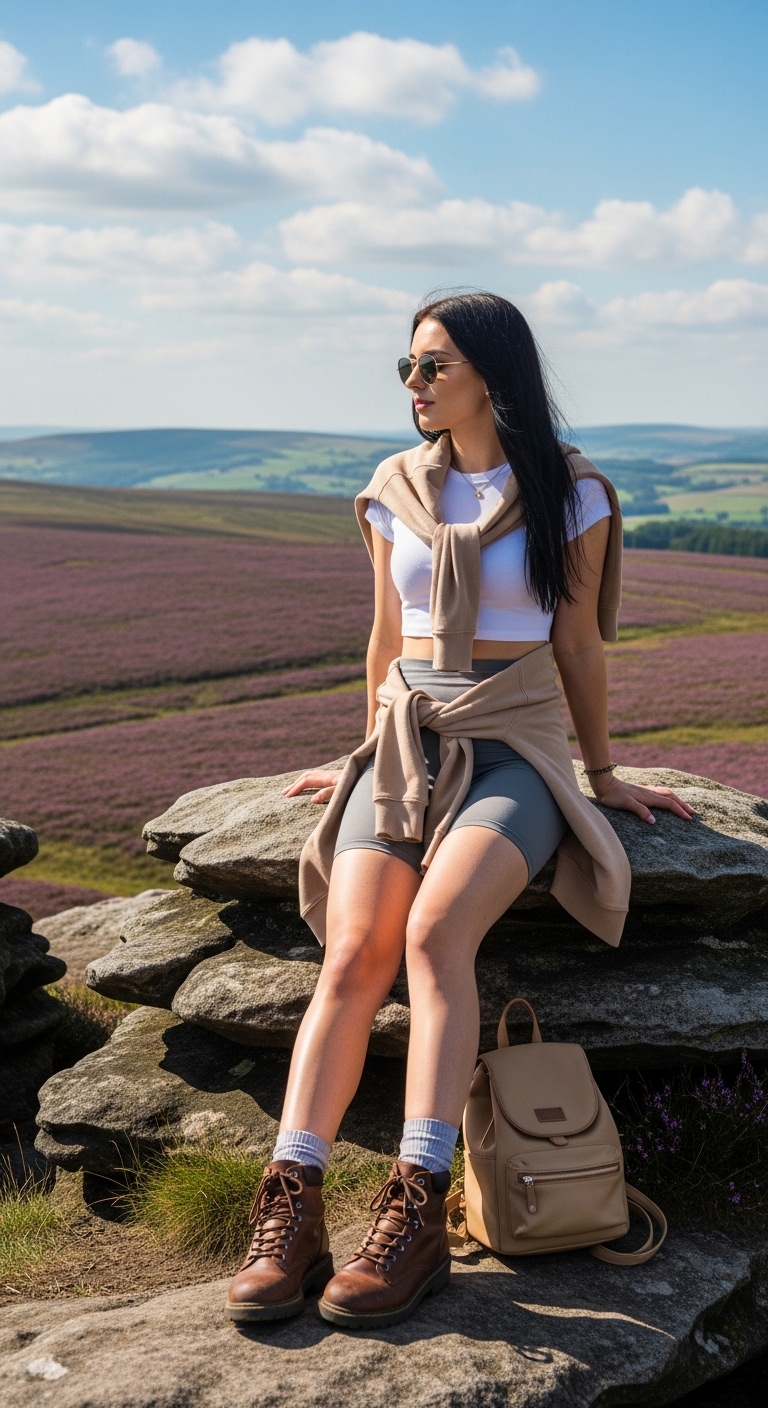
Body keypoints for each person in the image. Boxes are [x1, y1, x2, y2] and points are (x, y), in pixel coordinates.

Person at [226, 291, 694, 1329]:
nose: (414, 384)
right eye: (406, 366)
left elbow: (577, 648)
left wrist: (603, 773)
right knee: (354, 954)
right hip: (406, 737)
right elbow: (385, 637)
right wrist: (365, 743)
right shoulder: (392, 489)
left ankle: (417, 1207)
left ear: (491, 371)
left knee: (436, 935)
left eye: (433, 365)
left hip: (516, 742)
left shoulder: (573, 493)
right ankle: (293, 1203)